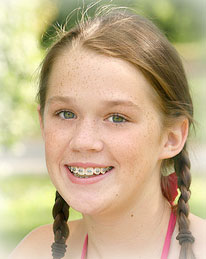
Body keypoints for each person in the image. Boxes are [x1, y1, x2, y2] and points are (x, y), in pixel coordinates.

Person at [9, 5, 205, 259]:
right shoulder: (31, 252)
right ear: (43, 122)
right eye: (66, 113)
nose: (83, 141)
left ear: (172, 137)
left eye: (117, 118)